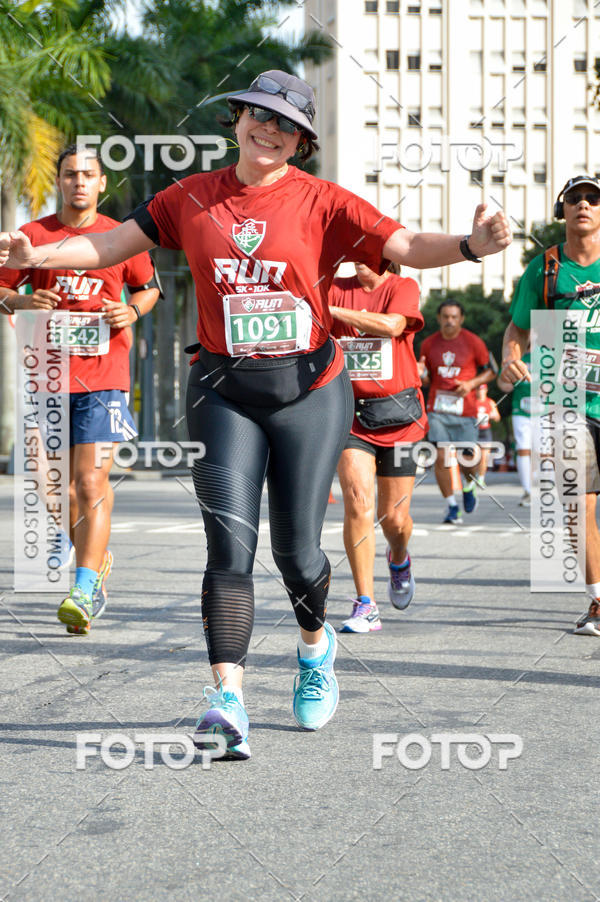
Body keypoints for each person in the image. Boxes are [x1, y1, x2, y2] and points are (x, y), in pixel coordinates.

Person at [0, 70, 511, 758]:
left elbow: (409, 247)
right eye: (258, 116)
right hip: (222, 391)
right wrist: (38, 253)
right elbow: (110, 244)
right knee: (228, 549)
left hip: (309, 391)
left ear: (301, 143)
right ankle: (226, 698)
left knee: (297, 554)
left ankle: (314, 647)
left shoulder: (325, 201)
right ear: (236, 120)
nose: (269, 130)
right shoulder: (190, 196)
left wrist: (473, 245)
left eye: (286, 125)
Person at [0, 144, 161, 634]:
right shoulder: (34, 235)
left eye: (88, 175)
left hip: (104, 377)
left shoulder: (120, 235)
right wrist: (22, 302)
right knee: (49, 483)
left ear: (101, 183)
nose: (79, 182)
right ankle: (96, 552)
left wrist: (131, 310)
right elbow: (3, 289)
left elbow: (149, 288)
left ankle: (85, 587)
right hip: (46, 375)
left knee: (90, 482)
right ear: (59, 181)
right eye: (70, 174)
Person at [501, 174, 600, 636]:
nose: (584, 205)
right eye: (575, 198)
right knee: (577, 506)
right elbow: (519, 329)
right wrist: (510, 357)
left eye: (593, 198)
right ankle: (598, 599)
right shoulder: (544, 269)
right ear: (563, 210)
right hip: (567, 400)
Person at [329, 262, 426, 632]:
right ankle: (365, 604)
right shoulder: (335, 287)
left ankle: (398, 558)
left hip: (400, 417)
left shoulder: (403, 286)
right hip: (351, 415)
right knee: (357, 502)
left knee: (395, 520)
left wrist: (333, 312)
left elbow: (393, 326)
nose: (359, 255)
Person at [419, 300, 494, 523]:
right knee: (441, 456)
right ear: (439, 318)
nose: (449, 321)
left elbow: (491, 371)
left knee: (467, 460)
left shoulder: (473, 342)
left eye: (454, 317)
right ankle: (452, 506)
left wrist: (471, 384)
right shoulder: (428, 344)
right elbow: (426, 378)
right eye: (445, 317)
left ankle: (469, 486)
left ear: (461, 319)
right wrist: (421, 375)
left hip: (465, 410)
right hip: (437, 409)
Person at [497, 351, 531, 506]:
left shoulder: (548, 354)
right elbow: (504, 386)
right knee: (523, 449)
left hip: (544, 411)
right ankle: (528, 491)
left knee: (545, 453)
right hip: (521, 410)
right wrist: (507, 376)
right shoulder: (515, 358)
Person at [474, 383, 500, 487]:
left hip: (485, 432)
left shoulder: (490, 402)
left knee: (484, 457)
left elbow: (497, 417)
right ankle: (473, 476)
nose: (480, 392)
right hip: (475, 431)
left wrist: (491, 415)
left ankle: (481, 479)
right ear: (476, 391)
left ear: (486, 390)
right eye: (479, 390)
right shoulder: (472, 401)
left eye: (482, 390)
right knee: (475, 457)